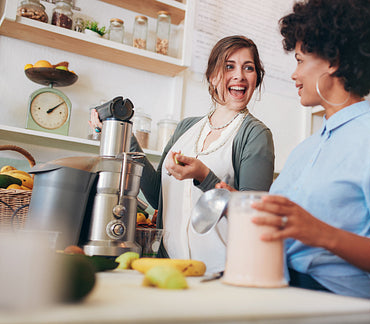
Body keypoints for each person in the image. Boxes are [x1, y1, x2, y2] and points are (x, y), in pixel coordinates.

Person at [249, 0, 370, 301]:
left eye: (300, 60)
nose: (295, 74)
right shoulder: (305, 150)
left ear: (333, 61)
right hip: (285, 296)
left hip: (341, 305)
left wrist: (321, 233)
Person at [90, 35, 275, 273]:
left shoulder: (255, 134)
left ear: (256, 78)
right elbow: (158, 196)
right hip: (169, 266)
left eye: (248, 68)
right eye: (229, 66)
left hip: (223, 273)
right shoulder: (186, 128)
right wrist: (123, 132)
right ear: (212, 75)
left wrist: (204, 176)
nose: (239, 75)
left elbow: (253, 215)